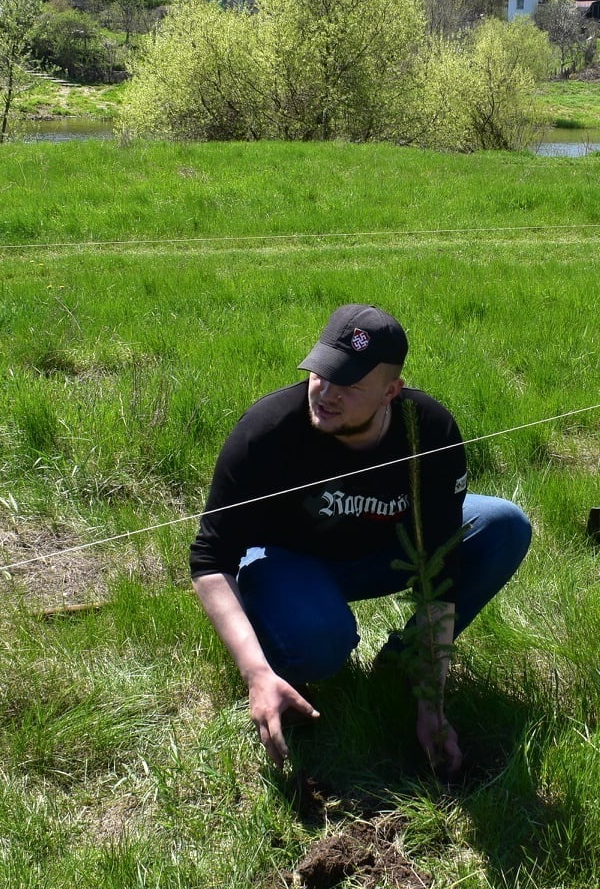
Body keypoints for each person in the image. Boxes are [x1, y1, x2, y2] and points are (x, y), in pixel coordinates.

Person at [189, 303, 531, 772]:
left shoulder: (428, 431)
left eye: (349, 385)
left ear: (391, 391)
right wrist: (255, 673)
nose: (325, 394)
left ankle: (401, 665)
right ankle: (284, 655)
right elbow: (210, 559)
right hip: (292, 561)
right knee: (320, 645)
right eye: (320, 373)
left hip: (384, 551)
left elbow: (441, 569)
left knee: (503, 525)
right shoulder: (267, 432)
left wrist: (431, 704)